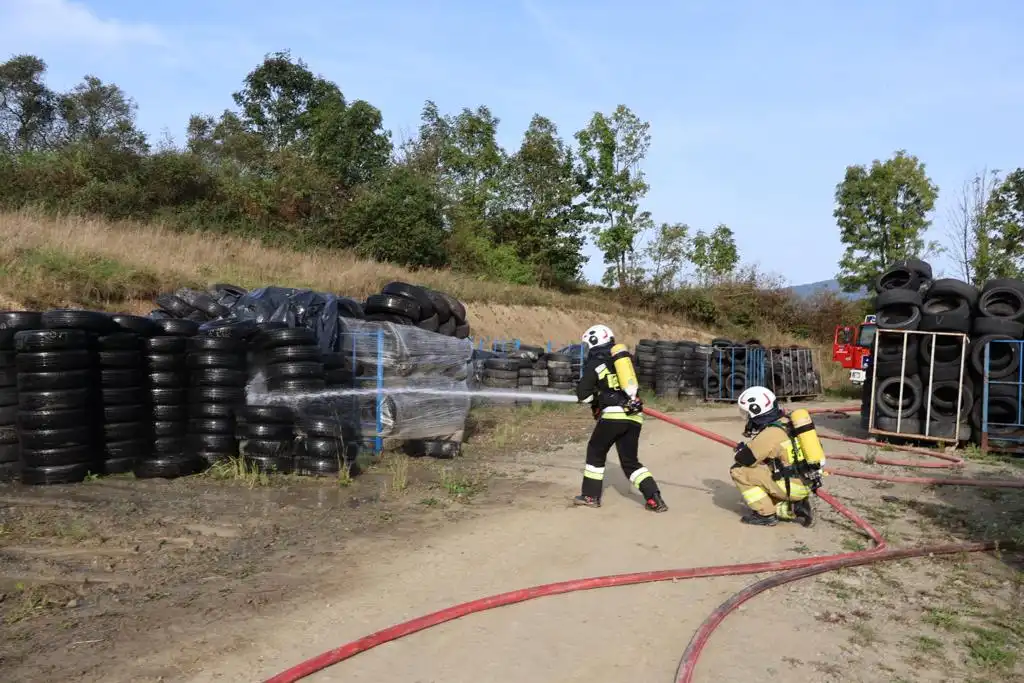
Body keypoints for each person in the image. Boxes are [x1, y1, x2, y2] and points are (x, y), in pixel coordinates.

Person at [573, 324, 668, 512]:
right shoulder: (625, 362)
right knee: (630, 462)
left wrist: (596, 402)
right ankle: (654, 497)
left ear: (593, 342)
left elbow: (582, 394)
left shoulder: (595, 363)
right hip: (634, 415)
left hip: (613, 416)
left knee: (596, 451)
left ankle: (591, 496)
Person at [729, 386, 816, 527]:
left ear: (756, 410)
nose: (747, 417)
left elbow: (744, 459)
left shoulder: (770, 433)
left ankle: (766, 514)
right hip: (806, 481)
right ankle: (795, 507)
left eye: (747, 412)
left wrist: (743, 450)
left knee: (738, 470)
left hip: (792, 486)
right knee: (764, 467)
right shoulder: (786, 421)